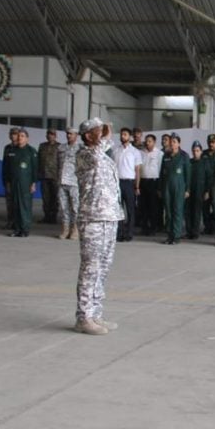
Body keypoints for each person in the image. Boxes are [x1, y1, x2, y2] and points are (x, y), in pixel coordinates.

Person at [74, 117, 124, 336]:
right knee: (90, 268)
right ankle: (83, 317)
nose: (103, 133)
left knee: (103, 269)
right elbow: (95, 156)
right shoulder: (85, 154)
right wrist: (106, 138)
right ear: (87, 135)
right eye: (97, 130)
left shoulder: (104, 158)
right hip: (92, 218)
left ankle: (95, 314)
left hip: (109, 218)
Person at [6, 128, 38, 237]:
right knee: (15, 206)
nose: (20, 138)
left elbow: (35, 168)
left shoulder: (31, 151)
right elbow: (7, 169)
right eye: (19, 136)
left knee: (25, 206)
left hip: (26, 183)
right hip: (14, 183)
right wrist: (7, 182)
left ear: (27, 139)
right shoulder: (11, 150)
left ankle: (25, 229)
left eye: (22, 136)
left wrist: (34, 183)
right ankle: (17, 229)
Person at [112, 127, 142, 242]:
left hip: (129, 183)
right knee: (118, 210)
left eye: (125, 134)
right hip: (117, 182)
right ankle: (119, 233)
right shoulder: (115, 150)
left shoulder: (135, 152)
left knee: (130, 210)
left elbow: (137, 170)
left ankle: (129, 233)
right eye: (121, 134)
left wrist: (137, 186)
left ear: (129, 137)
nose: (122, 136)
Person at [160, 133, 191, 245]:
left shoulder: (184, 156)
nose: (172, 144)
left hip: (179, 187)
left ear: (179, 143)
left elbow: (188, 174)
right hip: (167, 187)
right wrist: (160, 188)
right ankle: (169, 235)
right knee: (168, 212)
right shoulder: (166, 156)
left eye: (174, 142)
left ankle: (176, 236)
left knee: (177, 211)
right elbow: (162, 173)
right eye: (171, 142)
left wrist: (187, 189)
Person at [57, 127, 81, 239]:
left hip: (74, 182)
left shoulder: (81, 148)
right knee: (63, 207)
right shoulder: (61, 147)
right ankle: (65, 229)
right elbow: (58, 164)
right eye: (67, 134)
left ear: (76, 135)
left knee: (75, 207)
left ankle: (75, 229)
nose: (69, 136)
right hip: (62, 181)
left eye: (71, 134)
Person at [138, 134, 162, 236]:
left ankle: (153, 227)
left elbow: (160, 169)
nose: (148, 143)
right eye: (146, 141)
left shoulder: (159, 153)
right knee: (143, 206)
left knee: (153, 206)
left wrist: (159, 186)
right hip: (143, 181)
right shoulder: (141, 153)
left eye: (150, 141)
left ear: (154, 142)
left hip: (153, 182)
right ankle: (144, 228)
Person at [37, 129, 60, 225]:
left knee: (54, 197)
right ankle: (46, 216)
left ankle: (53, 216)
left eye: (52, 134)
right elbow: (39, 160)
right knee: (46, 198)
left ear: (55, 136)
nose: (50, 136)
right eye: (49, 134)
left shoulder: (59, 147)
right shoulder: (42, 146)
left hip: (55, 175)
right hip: (44, 175)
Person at [186, 140, 208, 240]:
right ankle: (189, 231)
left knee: (197, 211)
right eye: (194, 150)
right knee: (188, 211)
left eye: (197, 150)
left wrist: (207, 191)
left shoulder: (205, 163)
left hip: (200, 190)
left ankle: (195, 232)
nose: (195, 152)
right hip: (189, 190)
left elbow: (209, 177)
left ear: (201, 151)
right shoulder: (189, 162)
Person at [200, 133, 215, 235]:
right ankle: (207, 227)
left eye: (213, 142)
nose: (211, 144)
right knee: (205, 208)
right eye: (209, 142)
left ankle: (214, 226)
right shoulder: (203, 154)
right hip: (205, 186)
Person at [1, 127, 19, 230]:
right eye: (12, 134)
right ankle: (10, 221)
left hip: (18, 180)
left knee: (18, 202)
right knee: (9, 202)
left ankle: (17, 222)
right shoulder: (7, 148)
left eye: (15, 134)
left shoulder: (21, 147)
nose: (13, 136)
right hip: (9, 179)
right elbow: (5, 165)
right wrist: (4, 179)